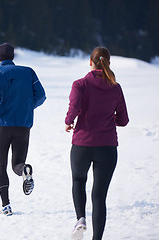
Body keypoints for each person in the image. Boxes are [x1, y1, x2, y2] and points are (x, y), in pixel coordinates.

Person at [65, 46, 129, 239]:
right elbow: (124, 120)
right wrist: (111, 120)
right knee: (99, 196)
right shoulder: (115, 87)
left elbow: (74, 108)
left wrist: (69, 122)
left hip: (82, 144)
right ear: (108, 64)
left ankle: (81, 219)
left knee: (78, 180)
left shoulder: (80, 84)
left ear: (90, 63)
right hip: (107, 147)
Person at [0, 42, 46, 216]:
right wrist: (26, 107)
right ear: (13, 57)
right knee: (17, 164)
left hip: (2, 125)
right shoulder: (29, 72)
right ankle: (25, 169)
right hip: (23, 125)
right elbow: (41, 95)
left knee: (1, 165)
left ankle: (6, 206)